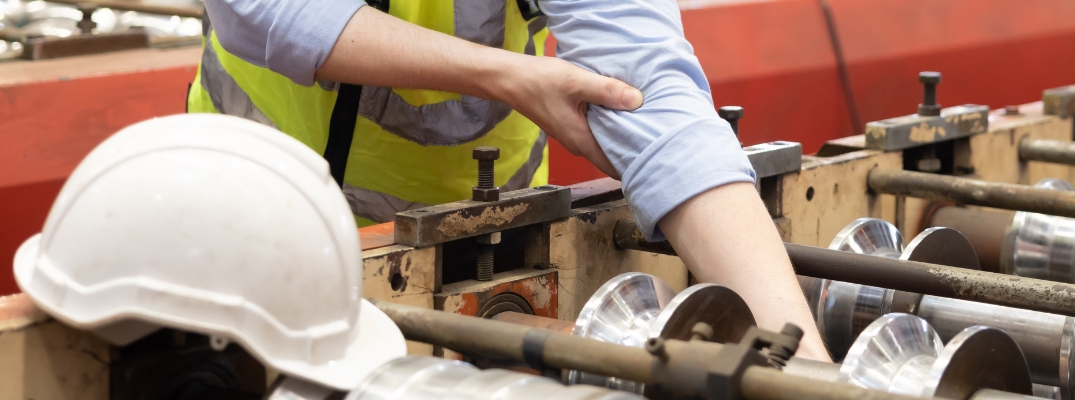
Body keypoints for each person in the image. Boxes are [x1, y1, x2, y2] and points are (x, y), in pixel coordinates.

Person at [189, 0, 831, 361]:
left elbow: (650, 96)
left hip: (485, 248)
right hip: (246, 217)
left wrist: (801, 364)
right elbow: (265, 11)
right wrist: (502, 74)